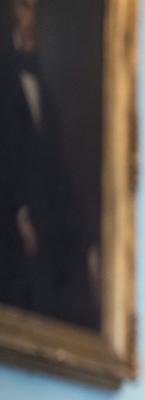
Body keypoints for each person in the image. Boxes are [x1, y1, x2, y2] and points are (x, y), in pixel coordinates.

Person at [0, 0, 100, 329]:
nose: (30, 18)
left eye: (33, 9)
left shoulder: (41, 80)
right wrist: (18, 213)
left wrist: (84, 241)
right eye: (24, 7)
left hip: (48, 221)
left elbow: (58, 167)